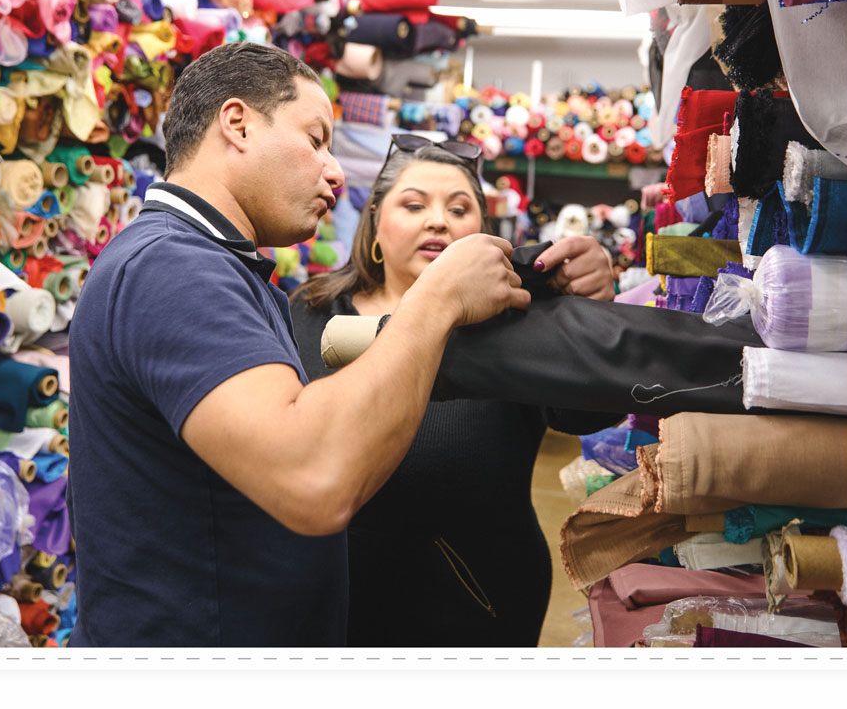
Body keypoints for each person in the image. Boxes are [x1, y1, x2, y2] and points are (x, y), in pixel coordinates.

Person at [65, 43, 531, 647]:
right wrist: (436, 300)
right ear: (237, 124)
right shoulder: (174, 267)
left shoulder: (218, 267)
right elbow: (314, 477)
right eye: (316, 140)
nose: (335, 172)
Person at [289, 134, 621, 646]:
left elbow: (588, 413)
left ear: (483, 234)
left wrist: (594, 310)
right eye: (414, 205)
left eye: (459, 208)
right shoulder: (311, 313)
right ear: (375, 221)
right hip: (327, 601)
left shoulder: (515, 326)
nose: (438, 221)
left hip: (479, 607)